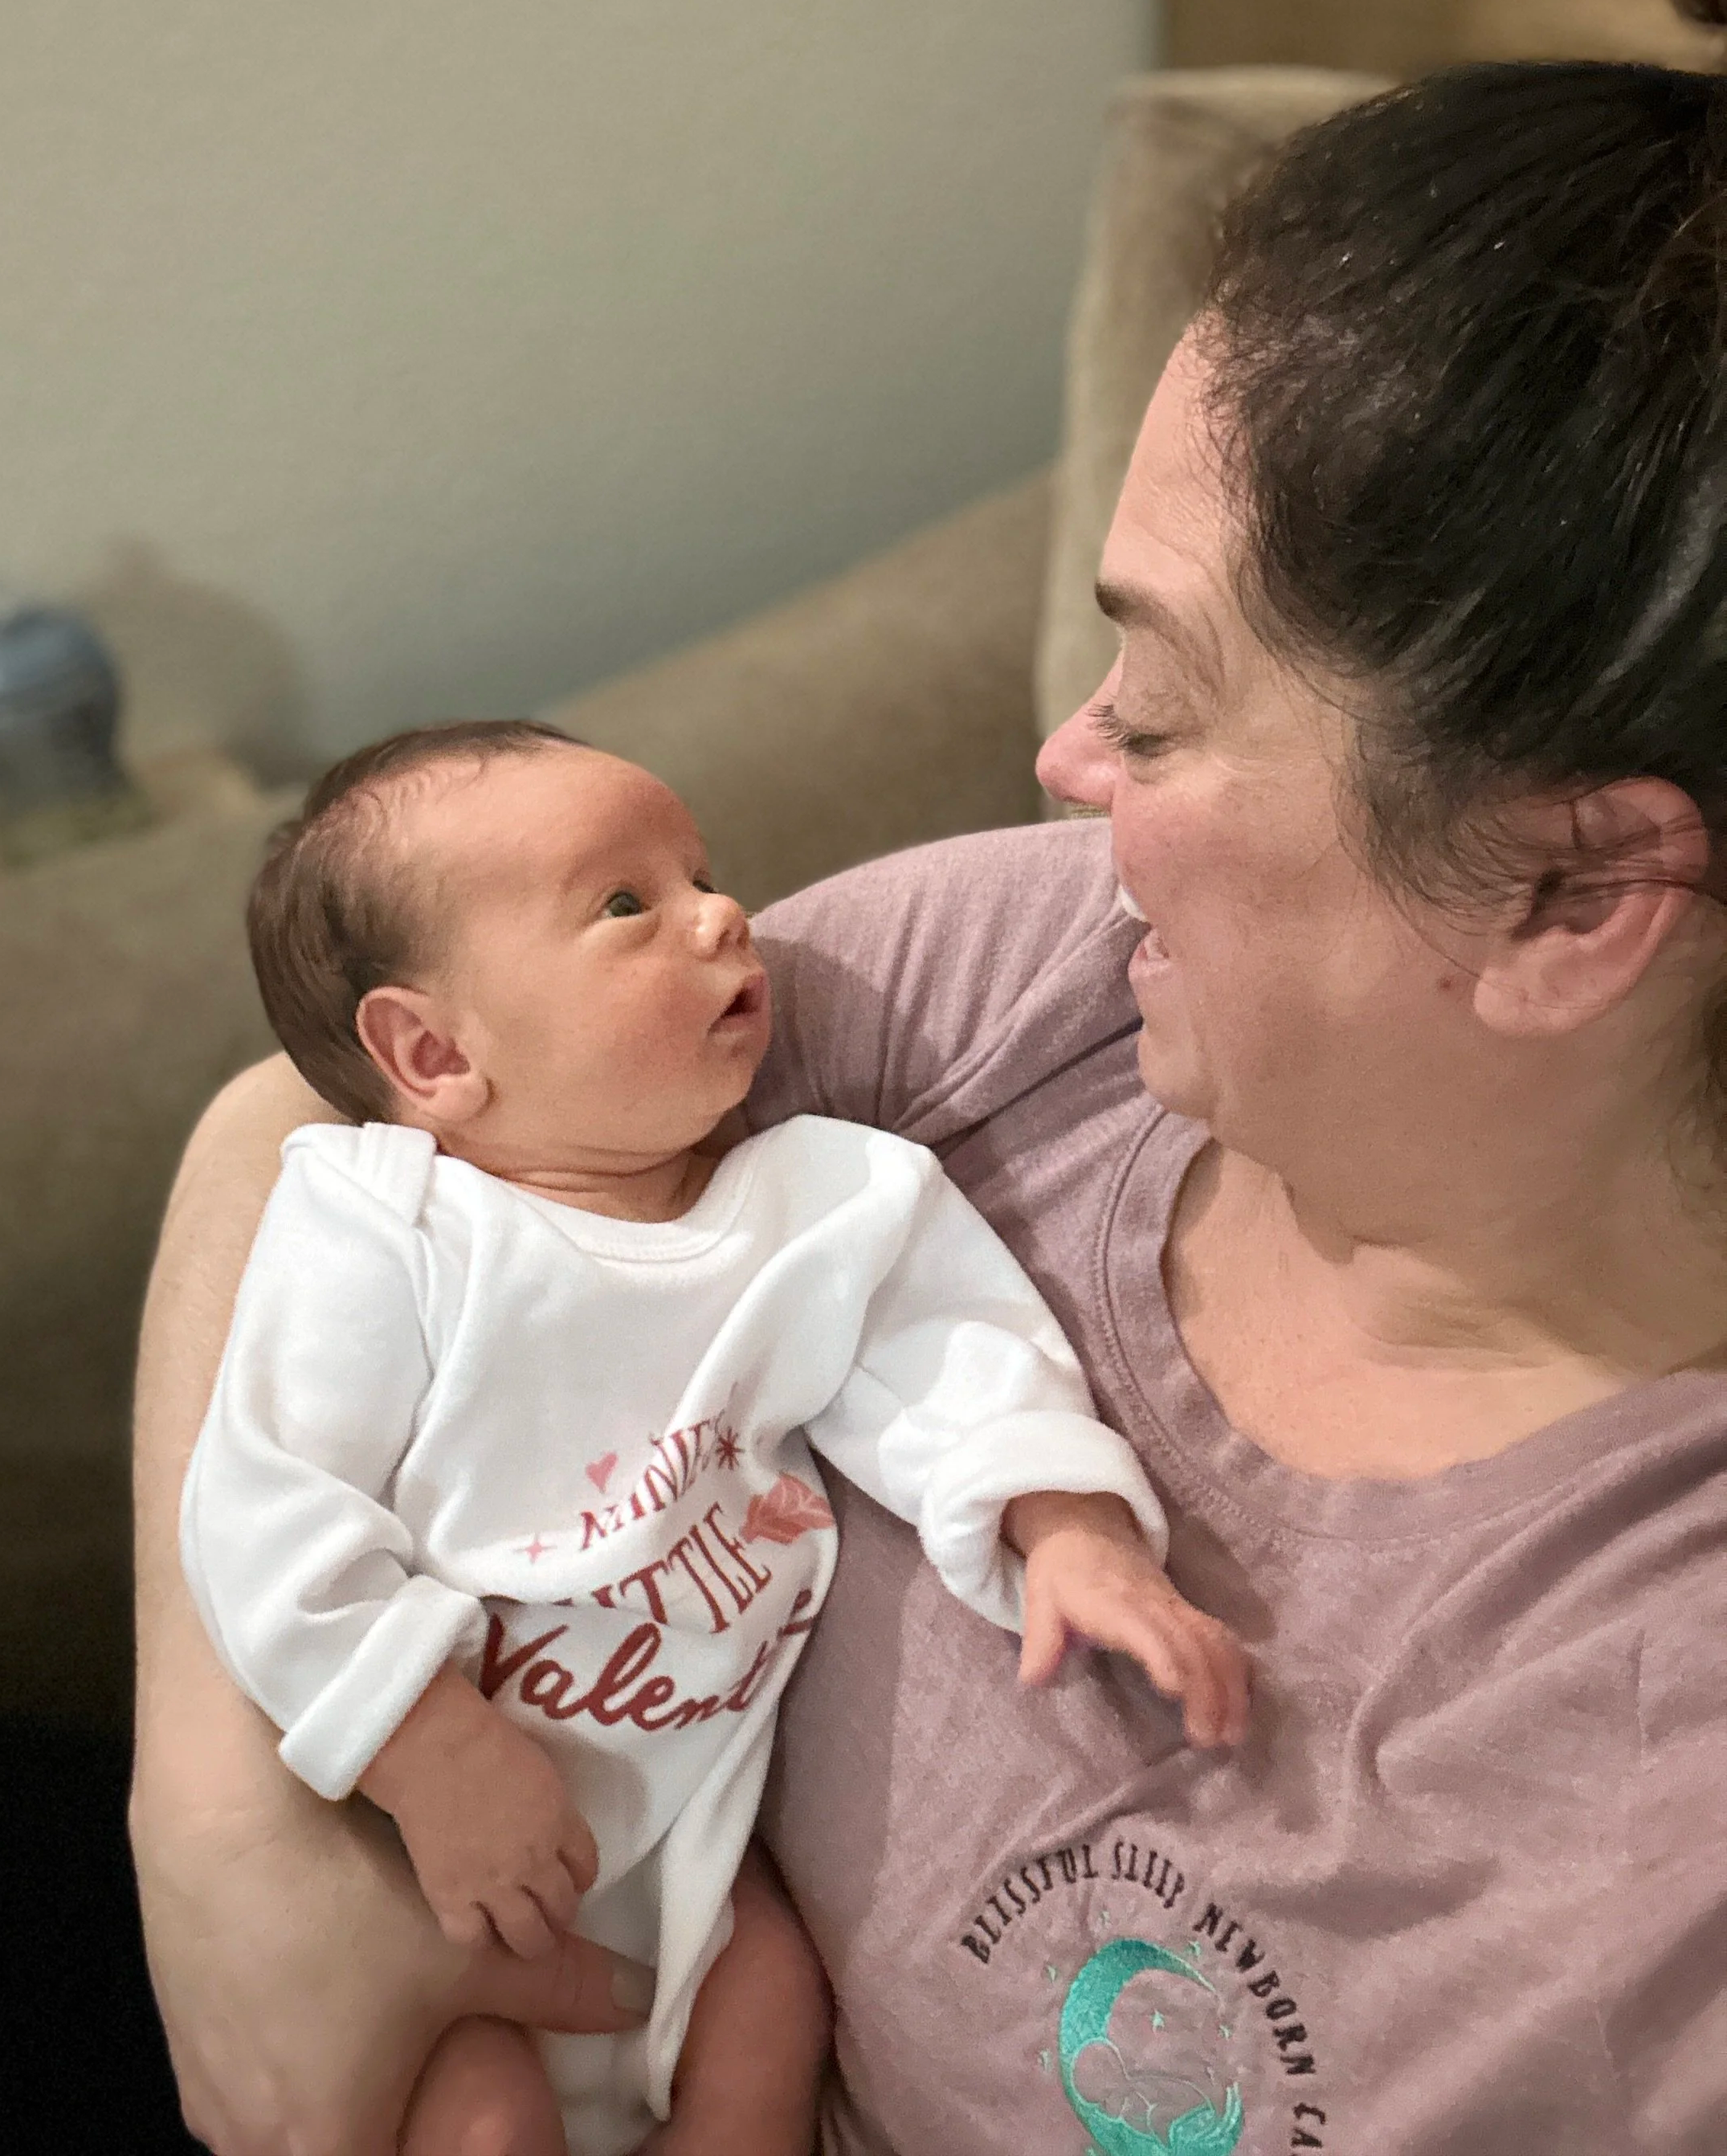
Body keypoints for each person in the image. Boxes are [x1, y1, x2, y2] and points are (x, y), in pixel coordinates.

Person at [132, 52, 1727, 2156]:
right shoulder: (1048, 971)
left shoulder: (1645, 1801)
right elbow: (328, 1129)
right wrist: (223, 1832)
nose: (1066, 761)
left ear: (1569, 888)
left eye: (1160, 709)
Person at [177, 721, 1242, 2156]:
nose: (724, 913)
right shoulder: (391, 1229)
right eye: (626, 906)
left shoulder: (820, 1202)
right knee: (480, 2114)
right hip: (437, 1845)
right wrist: (426, 1749)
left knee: (773, 1999)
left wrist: (1070, 1528)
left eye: (701, 873)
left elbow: (957, 1355)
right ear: (432, 1051)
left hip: (687, 1841)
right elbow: (266, 1504)